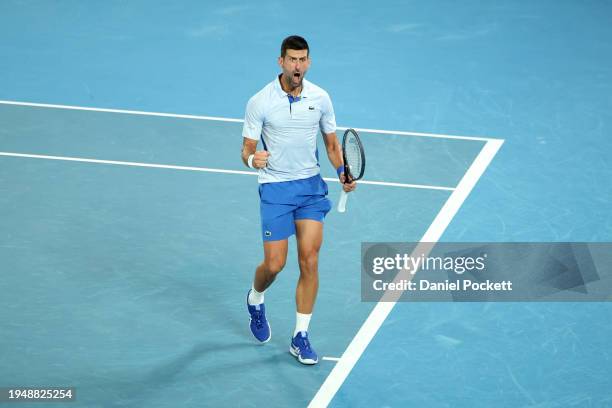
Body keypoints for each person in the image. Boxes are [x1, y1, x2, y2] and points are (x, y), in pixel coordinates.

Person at [241, 35, 356, 365]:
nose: (297, 66)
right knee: (275, 264)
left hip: (309, 187)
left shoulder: (320, 98)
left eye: (303, 59)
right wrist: (253, 161)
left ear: (308, 62)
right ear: (281, 62)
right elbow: (246, 150)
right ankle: (256, 297)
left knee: (310, 259)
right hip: (276, 188)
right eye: (292, 59)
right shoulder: (260, 102)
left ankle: (300, 335)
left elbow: (332, 145)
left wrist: (342, 172)